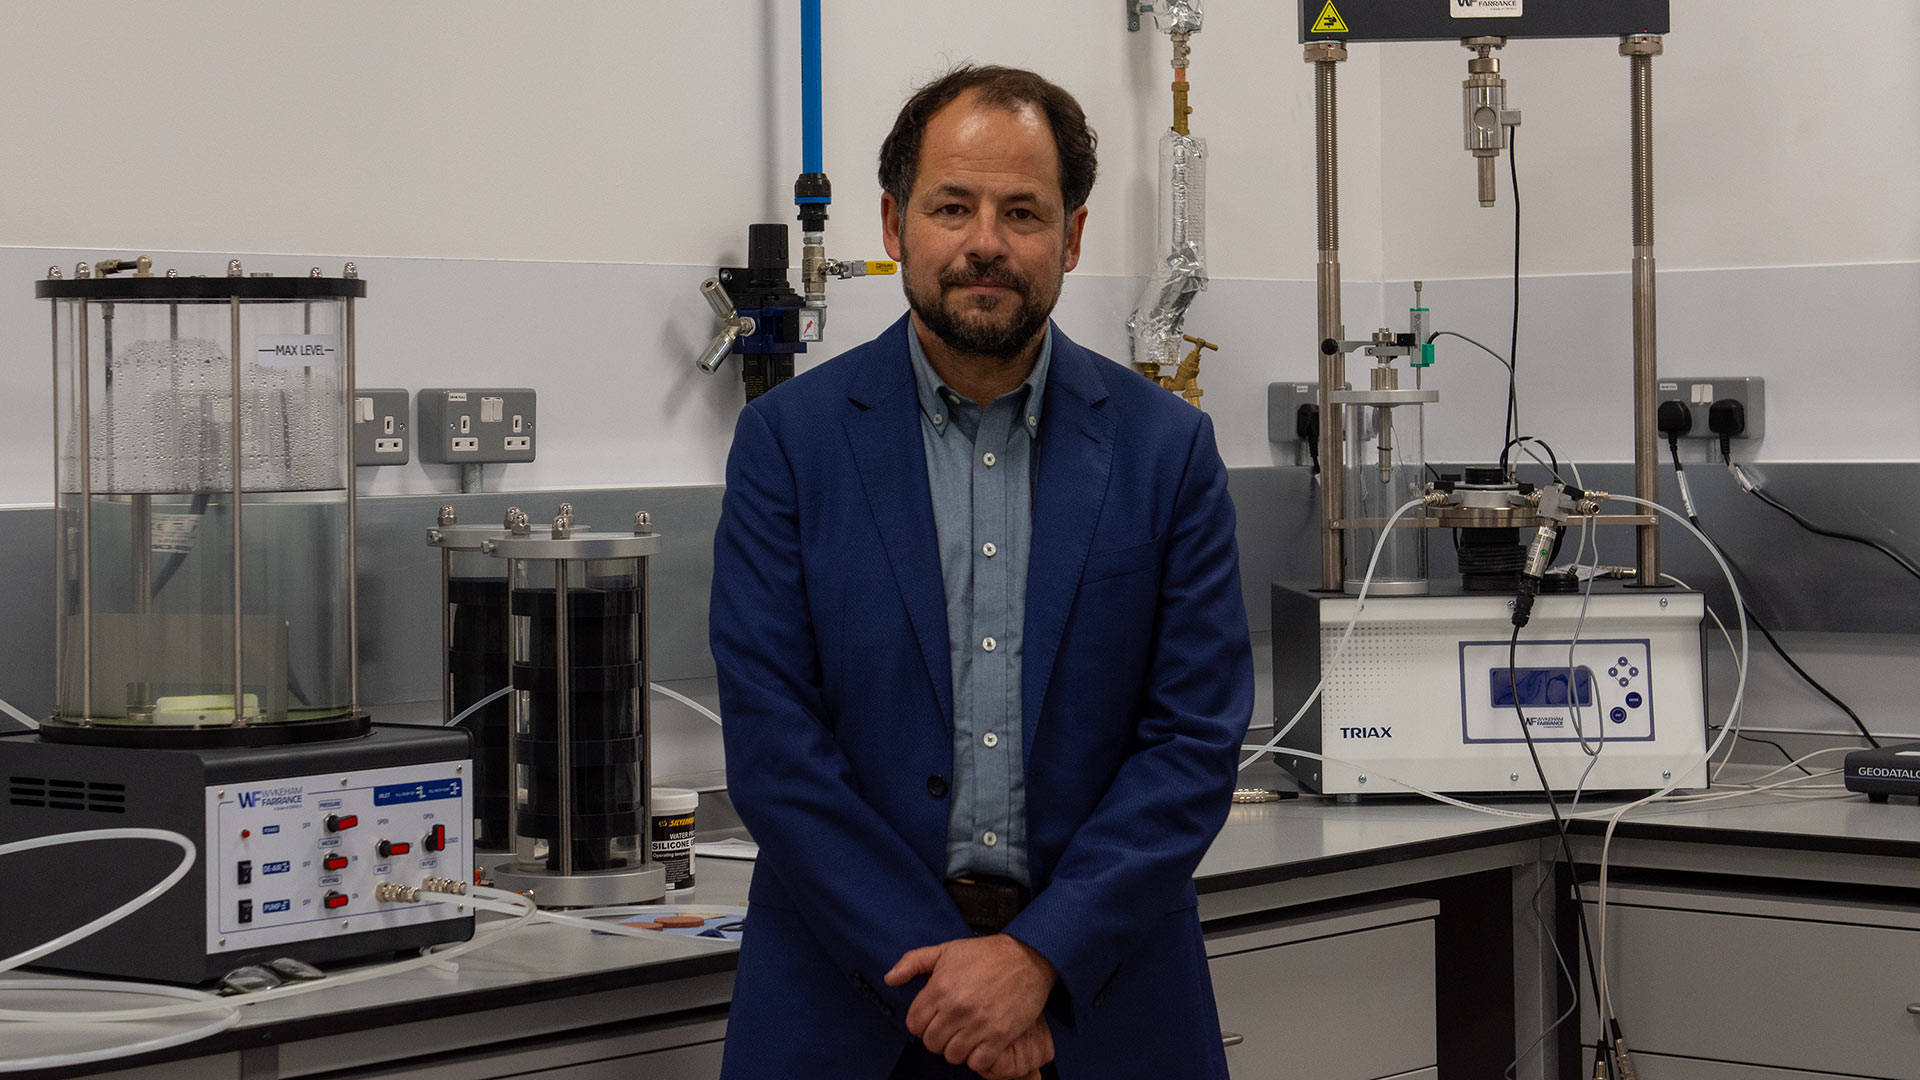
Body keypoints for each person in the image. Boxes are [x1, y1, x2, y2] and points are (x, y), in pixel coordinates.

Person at [710, 64, 1253, 1079]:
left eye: (1022, 212)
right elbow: (776, 748)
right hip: (847, 1003)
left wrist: (1038, 958)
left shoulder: (1166, 452)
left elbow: (1191, 741)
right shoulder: (788, 444)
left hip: (1103, 1005)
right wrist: (954, 987)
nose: (985, 244)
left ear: (1074, 237)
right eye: (952, 207)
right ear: (893, 223)